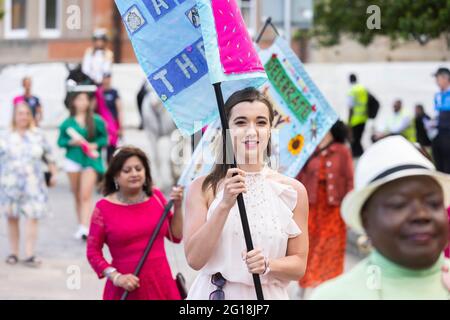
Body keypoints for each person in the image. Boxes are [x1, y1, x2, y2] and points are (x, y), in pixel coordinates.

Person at [184, 87, 309, 300]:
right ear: (226, 129)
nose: (252, 131)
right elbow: (194, 259)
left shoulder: (292, 191)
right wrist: (224, 205)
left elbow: (299, 265)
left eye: (261, 122)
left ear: (270, 129)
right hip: (214, 294)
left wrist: (269, 264)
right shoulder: (202, 188)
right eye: (241, 122)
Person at [311, 136, 450, 299]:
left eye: (433, 203)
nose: (421, 215)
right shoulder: (334, 296)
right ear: (366, 219)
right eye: (399, 204)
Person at [86, 146, 184, 300]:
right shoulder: (103, 208)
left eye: (138, 169)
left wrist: (178, 206)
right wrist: (116, 277)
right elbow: (92, 252)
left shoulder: (157, 197)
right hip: (126, 287)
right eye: (127, 170)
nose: (134, 174)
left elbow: (176, 236)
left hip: (161, 284)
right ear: (116, 176)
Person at [296, 120, 354, 294]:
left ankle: (327, 289)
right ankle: (305, 284)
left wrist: (349, 209)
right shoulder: (308, 149)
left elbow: (350, 180)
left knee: (330, 248)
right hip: (311, 209)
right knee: (309, 247)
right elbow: (299, 177)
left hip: (333, 210)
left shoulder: (342, 151)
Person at [0, 103, 57, 267]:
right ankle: (13, 253)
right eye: (20, 113)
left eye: (26, 113)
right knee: (12, 217)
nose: (23, 116)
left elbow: (50, 156)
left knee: (32, 217)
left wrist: (53, 174)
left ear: (30, 116)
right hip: (10, 183)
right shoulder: (6, 136)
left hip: (34, 184)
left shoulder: (37, 135)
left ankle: (30, 253)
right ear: (14, 116)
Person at [58, 91, 108, 240]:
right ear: (74, 102)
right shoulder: (67, 123)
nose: (83, 102)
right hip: (73, 160)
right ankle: (81, 224)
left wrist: (94, 144)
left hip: (90, 161)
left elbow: (105, 139)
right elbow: (60, 142)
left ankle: (86, 227)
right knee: (77, 194)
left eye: (85, 99)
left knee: (85, 194)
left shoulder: (96, 120)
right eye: (79, 99)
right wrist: (70, 142)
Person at [101, 73, 124, 163]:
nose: (106, 80)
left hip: (112, 126)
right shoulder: (99, 92)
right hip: (102, 125)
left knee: (111, 150)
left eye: (108, 78)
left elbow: (119, 110)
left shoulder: (114, 92)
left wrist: (121, 127)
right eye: (105, 78)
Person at [431, 67, 450, 174]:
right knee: (439, 166)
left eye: (437, 78)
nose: (436, 82)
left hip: (447, 134)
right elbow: (437, 114)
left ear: (445, 78)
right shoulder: (438, 95)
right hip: (439, 134)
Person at [348, 74, 369, 158]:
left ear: (350, 80)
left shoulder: (352, 90)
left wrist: (349, 121)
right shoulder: (363, 89)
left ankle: (359, 158)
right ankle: (362, 156)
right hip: (363, 118)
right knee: (358, 140)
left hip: (355, 120)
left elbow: (350, 107)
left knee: (354, 141)